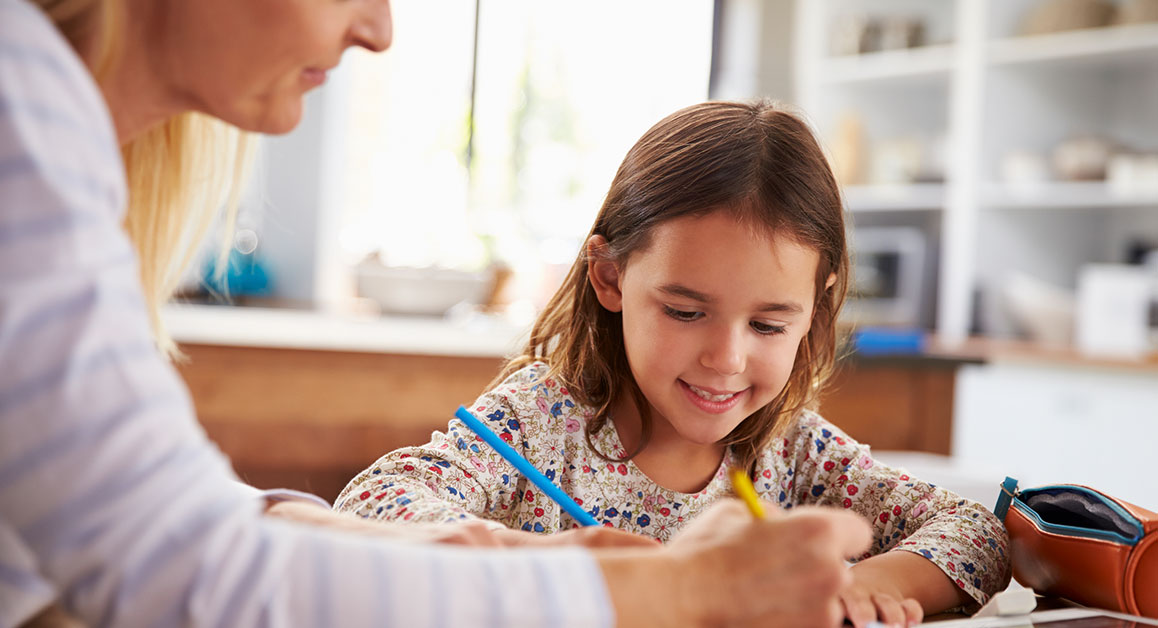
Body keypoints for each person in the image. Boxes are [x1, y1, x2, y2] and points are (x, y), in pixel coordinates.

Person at [0, 0, 877, 626]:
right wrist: (683, 595)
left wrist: (293, 522)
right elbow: (179, 580)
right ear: (608, 279)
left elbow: (136, 528)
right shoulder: (17, 121)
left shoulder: (43, 124)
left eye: (768, 321)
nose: (378, 28)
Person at [335, 100, 1013, 627]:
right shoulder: (537, 423)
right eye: (686, 312)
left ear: (817, 305)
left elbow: (975, 532)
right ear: (609, 277)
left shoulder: (796, 452)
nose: (726, 357)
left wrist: (868, 584)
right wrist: (578, 571)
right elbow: (370, 507)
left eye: (770, 324)